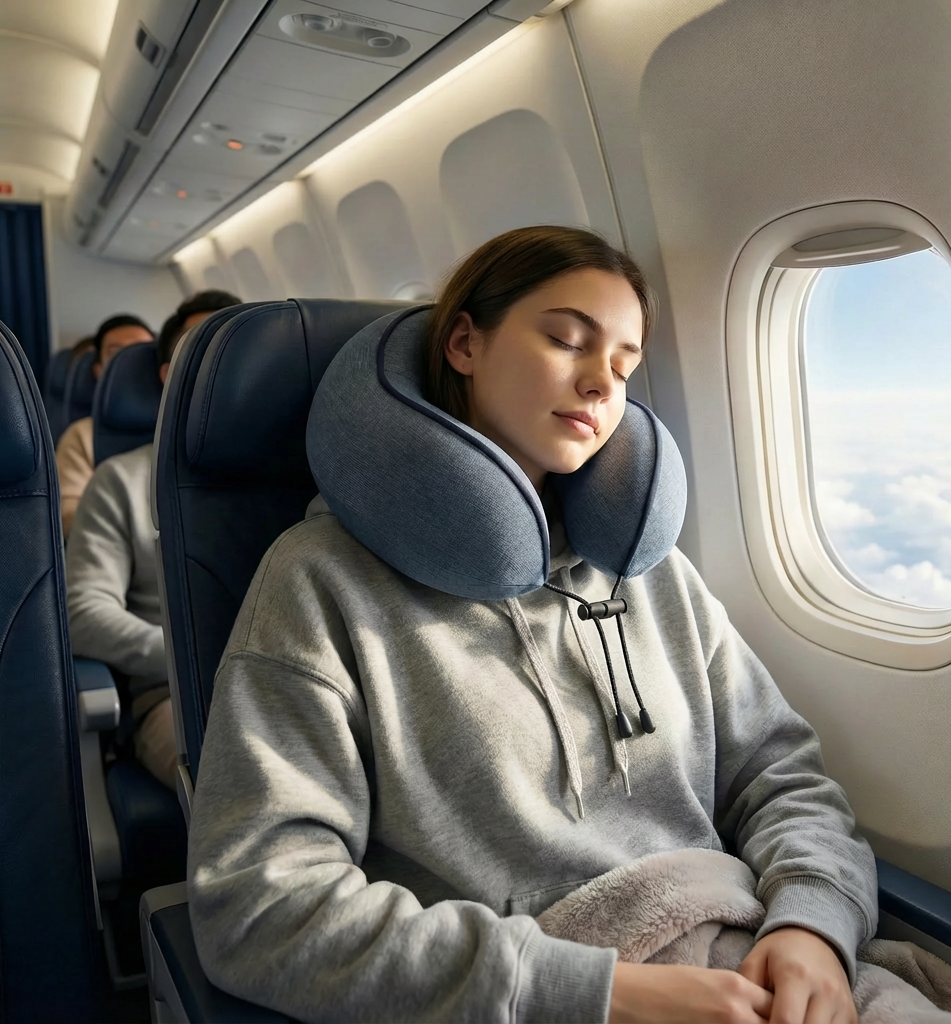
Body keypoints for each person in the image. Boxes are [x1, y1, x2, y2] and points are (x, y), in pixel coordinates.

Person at [187, 228, 876, 1024]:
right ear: (464, 341)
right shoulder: (319, 582)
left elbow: (779, 775)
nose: (599, 385)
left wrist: (813, 925)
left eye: (623, 365)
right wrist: (599, 994)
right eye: (565, 339)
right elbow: (259, 907)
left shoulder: (650, 573)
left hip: (743, 960)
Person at [65, 290, 240, 788]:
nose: (221, 368)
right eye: (202, 351)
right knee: (244, 784)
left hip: (303, 688)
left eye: (234, 351)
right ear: (170, 374)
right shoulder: (120, 480)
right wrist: (190, 656)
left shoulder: (303, 474)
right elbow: (82, 612)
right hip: (177, 695)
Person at [55, 315, 154, 534]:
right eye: (117, 353)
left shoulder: (184, 429)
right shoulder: (83, 435)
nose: (130, 363)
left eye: (140, 352)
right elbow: (66, 513)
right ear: (99, 369)